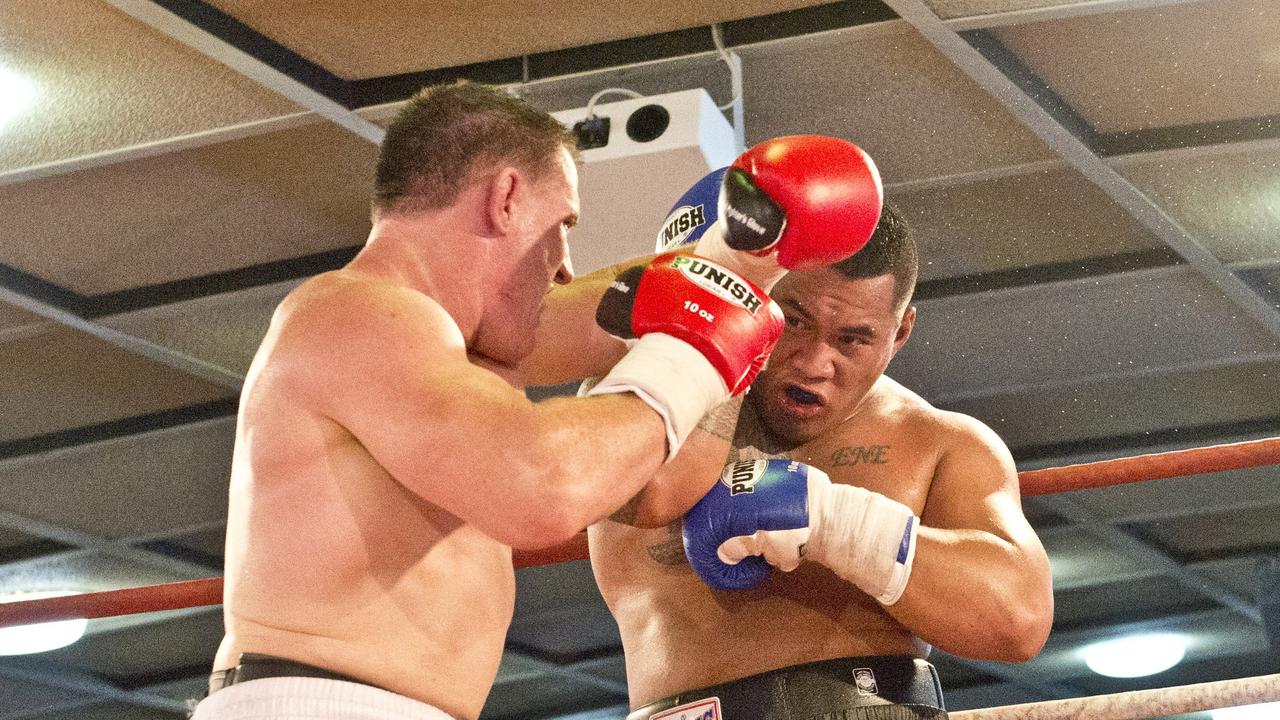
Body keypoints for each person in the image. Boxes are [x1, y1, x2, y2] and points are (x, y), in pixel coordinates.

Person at [191, 82, 882, 720]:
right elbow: (542, 487)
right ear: (507, 197)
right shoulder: (360, 315)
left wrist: (740, 255)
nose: (565, 262)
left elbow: (608, 311)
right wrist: (699, 352)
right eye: (563, 225)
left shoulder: (453, 344)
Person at [588, 185, 1055, 720]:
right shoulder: (648, 404)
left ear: (899, 333)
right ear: (758, 294)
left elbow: (1018, 620)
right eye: (797, 321)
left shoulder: (935, 443)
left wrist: (832, 520)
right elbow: (580, 488)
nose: (815, 363)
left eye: (853, 339)